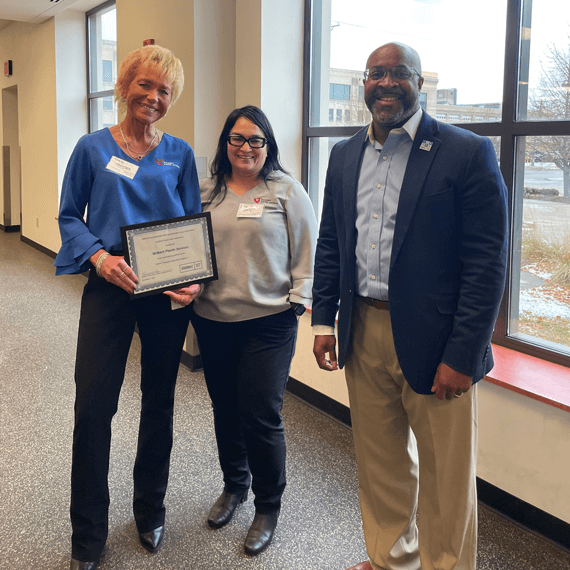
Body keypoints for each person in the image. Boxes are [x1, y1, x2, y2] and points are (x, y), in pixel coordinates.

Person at [311, 43, 508, 570]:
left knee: (446, 474)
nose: (387, 82)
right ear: (364, 85)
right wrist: (322, 321)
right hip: (361, 326)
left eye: (400, 73)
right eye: (376, 74)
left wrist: (464, 354)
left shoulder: (465, 151)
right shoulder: (345, 154)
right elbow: (332, 241)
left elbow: (487, 264)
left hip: (437, 340)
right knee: (380, 464)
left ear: (419, 82)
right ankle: (389, 559)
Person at [54, 45, 201, 570]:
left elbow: (191, 225)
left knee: (158, 403)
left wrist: (195, 283)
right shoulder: (91, 148)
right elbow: (69, 216)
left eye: (164, 91)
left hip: (165, 294)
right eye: (145, 85)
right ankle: (87, 535)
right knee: (93, 408)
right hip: (110, 285)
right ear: (124, 86)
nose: (154, 97)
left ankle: (149, 509)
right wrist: (97, 256)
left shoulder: (180, 154)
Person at [191, 105, 317, 556]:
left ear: (268, 146)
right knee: (225, 408)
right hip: (212, 318)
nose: (246, 148)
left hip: (268, 322)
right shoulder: (207, 190)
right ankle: (234, 487)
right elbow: (185, 244)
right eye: (237, 139)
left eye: (256, 140)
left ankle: (267, 505)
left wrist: (299, 301)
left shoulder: (285, 190)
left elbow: (307, 249)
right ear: (225, 143)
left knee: (261, 415)